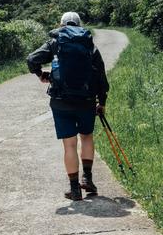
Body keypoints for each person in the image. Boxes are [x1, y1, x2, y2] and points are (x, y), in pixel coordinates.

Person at [27, 12, 109, 201]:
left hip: (61, 101)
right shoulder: (90, 45)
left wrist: (41, 74)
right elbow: (101, 78)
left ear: (61, 25)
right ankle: (87, 179)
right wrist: (101, 102)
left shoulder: (54, 43)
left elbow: (32, 59)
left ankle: (74, 190)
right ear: (80, 25)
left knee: (69, 144)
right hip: (86, 101)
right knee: (87, 137)